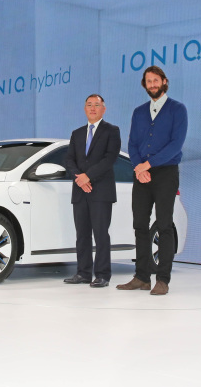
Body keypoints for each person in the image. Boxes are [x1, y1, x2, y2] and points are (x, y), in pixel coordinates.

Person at [117, 66, 188, 296]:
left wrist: (148, 164)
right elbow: (132, 144)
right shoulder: (139, 112)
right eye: (148, 81)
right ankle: (141, 277)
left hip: (166, 173)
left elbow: (175, 145)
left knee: (164, 225)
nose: (152, 84)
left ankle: (163, 279)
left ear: (164, 82)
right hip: (141, 174)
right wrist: (139, 167)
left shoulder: (178, 109)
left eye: (156, 80)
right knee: (140, 225)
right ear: (145, 85)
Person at [63, 94, 121, 288]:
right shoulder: (77, 133)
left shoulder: (112, 131)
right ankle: (83, 273)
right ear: (84, 108)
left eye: (97, 105)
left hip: (101, 191)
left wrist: (88, 176)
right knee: (82, 234)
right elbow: (69, 160)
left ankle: (103, 274)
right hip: (80, 191)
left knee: (101, 234)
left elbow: (109, 158)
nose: (93, 108)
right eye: (89, 105)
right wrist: (79, 178)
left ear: (103, 109)